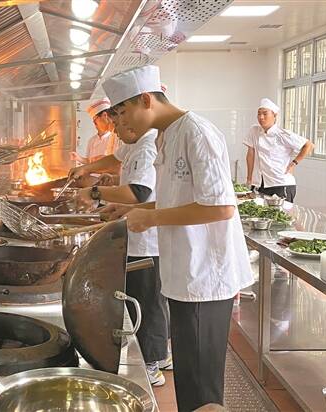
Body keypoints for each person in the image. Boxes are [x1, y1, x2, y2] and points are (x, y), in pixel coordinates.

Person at [100, 65, 253, 411]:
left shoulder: (197, 132)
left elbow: (221, 208)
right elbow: (177, 199)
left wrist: (151, 217)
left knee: (201, 388)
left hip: (206, 277)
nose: (121, 124)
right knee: (189, 379)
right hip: (185, 274)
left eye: (122, 113)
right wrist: (132, 209)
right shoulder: (166, 135)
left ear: (145, 99)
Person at [74, 122, 171, 387]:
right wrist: (91, 171)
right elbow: (117, 161)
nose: (115, 128)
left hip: (146, 241)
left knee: (146, 302)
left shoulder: (147, 146)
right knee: (152, 300)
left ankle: (151, 364)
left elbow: (139, 192)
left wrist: (95, 192)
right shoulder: (135, 142)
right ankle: (161, 355)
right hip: (139, 234)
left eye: (119, 118)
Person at [244, 98, 314, 202]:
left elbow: (309, 145)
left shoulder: (282, 134)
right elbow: (250, 155)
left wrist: (294, 163)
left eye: (265, 114)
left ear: (275, 115)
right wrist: (249, 179)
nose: (261, 117)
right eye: (259, 114)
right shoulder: (254, 131)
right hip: (259, 184)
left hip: (280, 184)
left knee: (280, 212)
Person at [74, 98, 119, 164]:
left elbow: (113, 162)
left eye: (95, 120)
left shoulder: (117, 136)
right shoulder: (92, 140)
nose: (95, 124)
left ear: (105, 115)